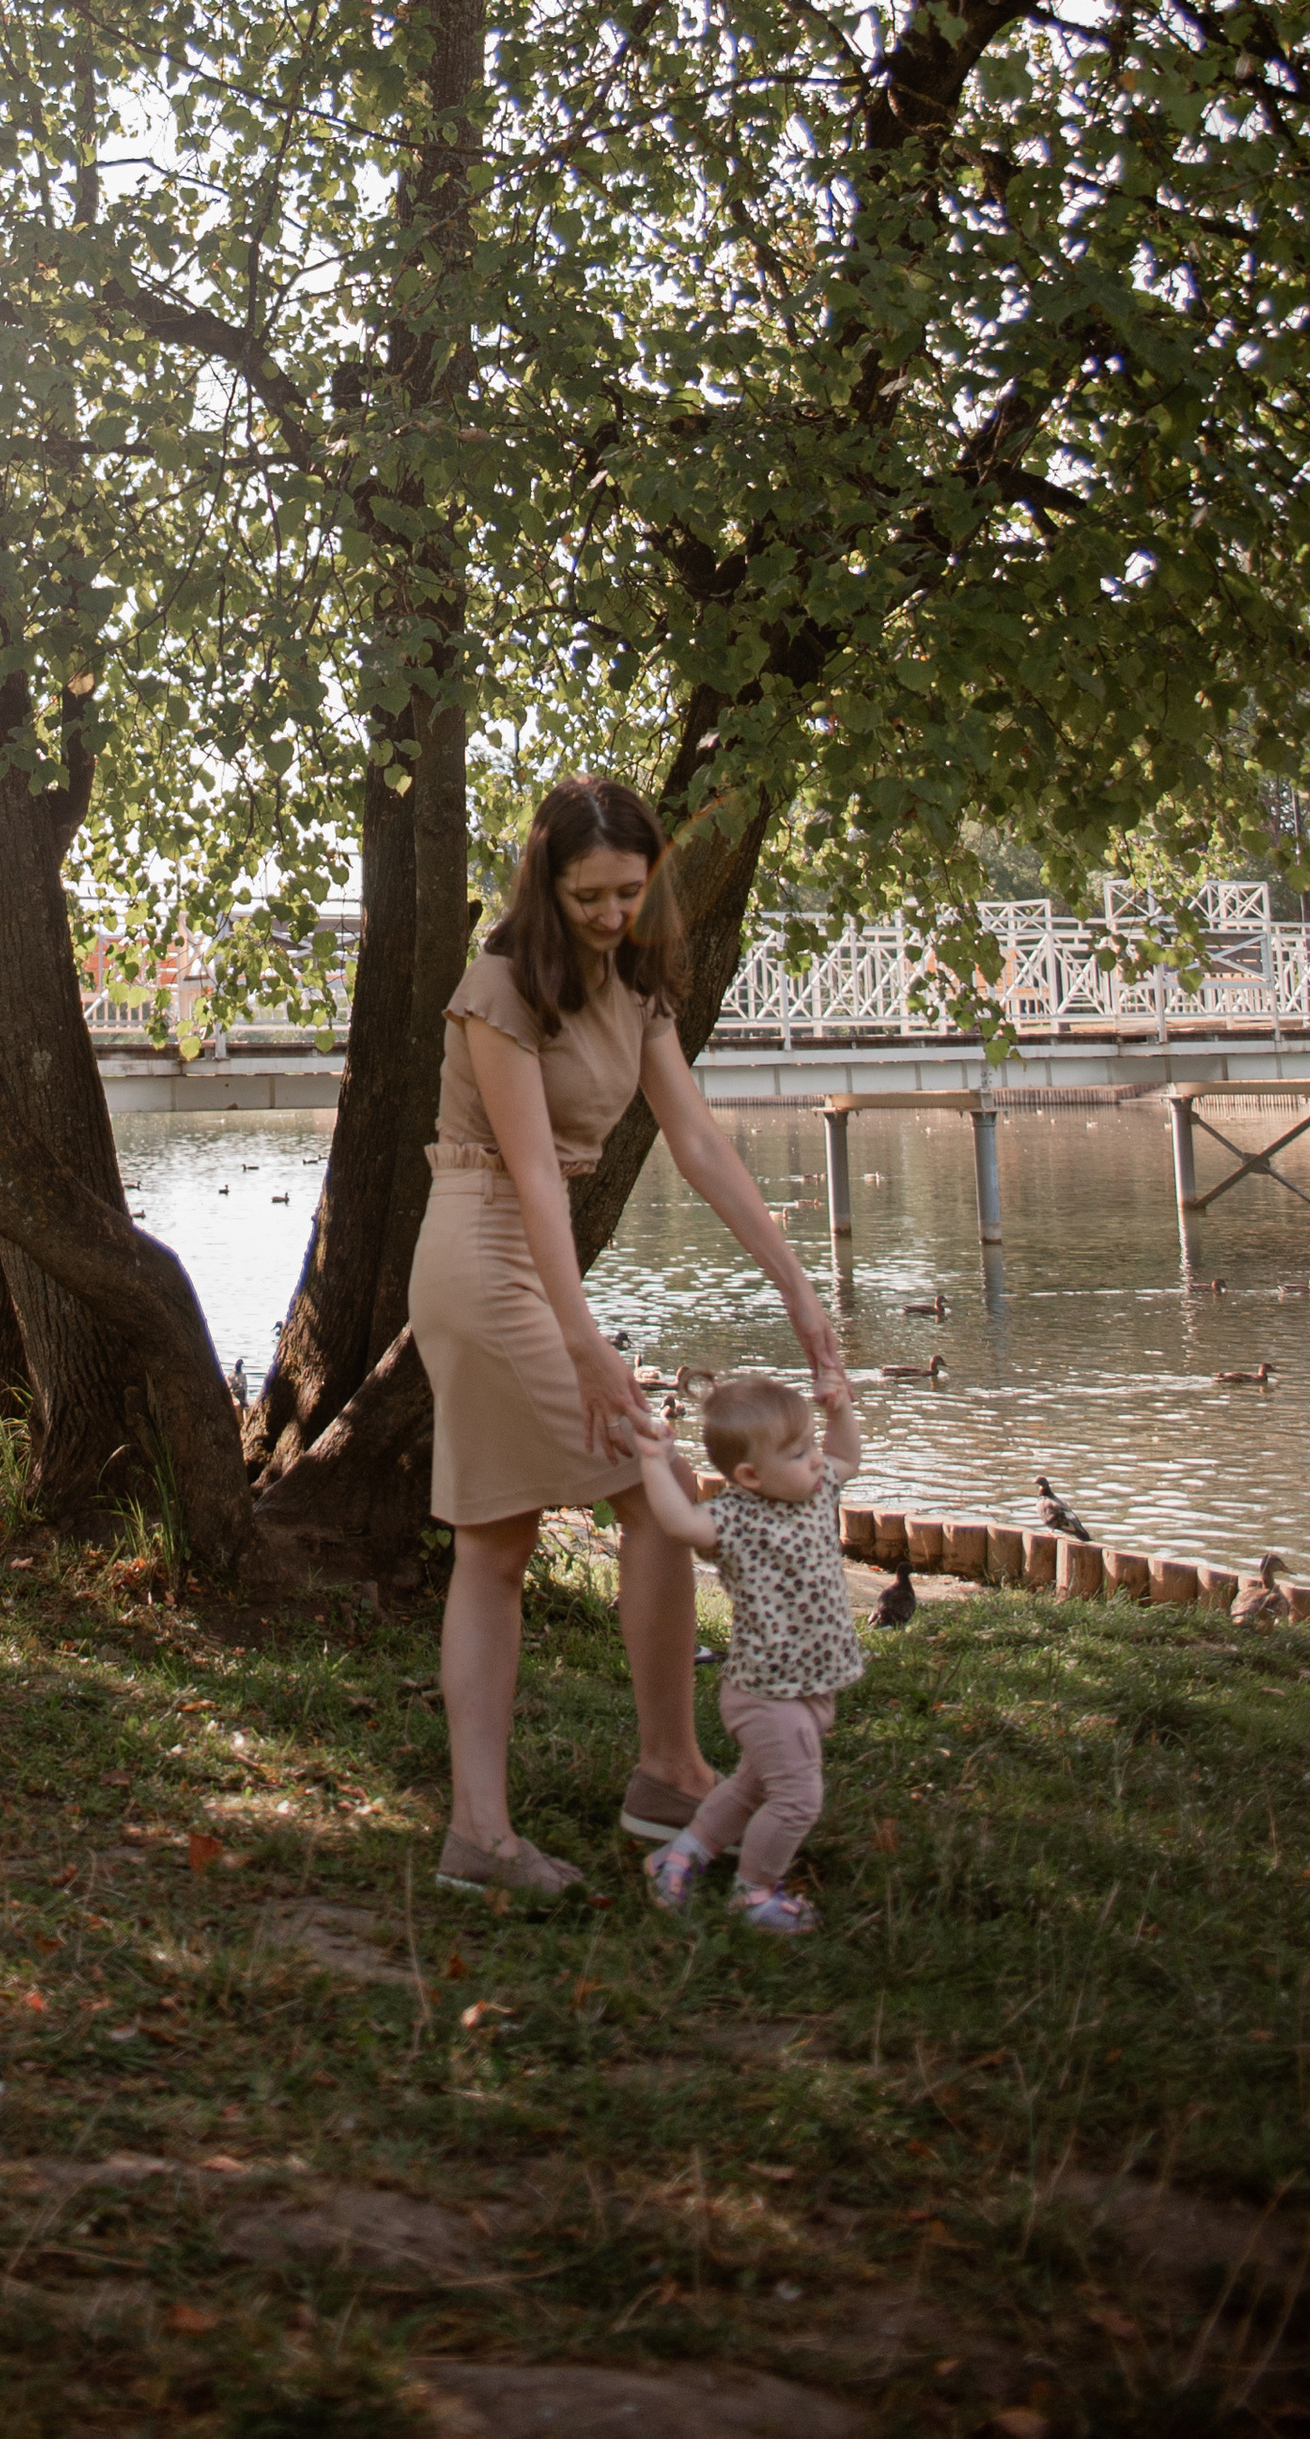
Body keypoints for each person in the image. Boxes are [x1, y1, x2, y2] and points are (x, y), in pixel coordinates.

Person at [408, 775, 847, 1901]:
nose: (610, 914)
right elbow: (536, 1185)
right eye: (589, 894)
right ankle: (518, 1820)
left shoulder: (631, 984)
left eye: (628, 892)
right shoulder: (500, 984)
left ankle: (639, 1778)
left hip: (524, 1257)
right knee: (626, 1488)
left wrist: (797, 1288)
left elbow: (696, 1139)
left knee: (532, 1532)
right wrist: (587, 1339)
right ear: (545, 885)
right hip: (484, 1250)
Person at [631, 1368, 866, 1934]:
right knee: (797, 1799)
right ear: (749, 1476)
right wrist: (654, 1462)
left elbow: (848, 1459)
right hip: (765, 1695)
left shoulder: (815, 1492)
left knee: (749, 1787)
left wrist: (839, 1413)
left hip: (811, 1687)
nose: (815, 1460)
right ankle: (754, 1892)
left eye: (810, 1446)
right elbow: (680, 1523)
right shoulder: (734, 1519)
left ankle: (679, 1856)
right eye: (797, 1452)